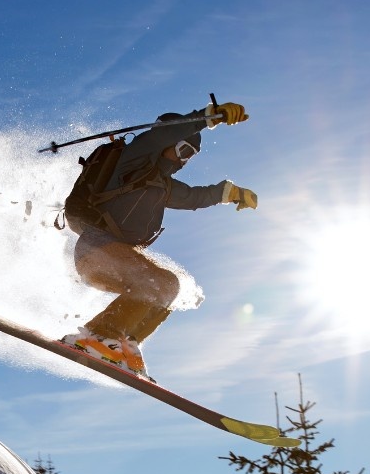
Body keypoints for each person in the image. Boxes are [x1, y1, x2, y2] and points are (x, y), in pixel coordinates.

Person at [60, 100, 257, 381]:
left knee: (169, 285)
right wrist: (208, 117)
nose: (183, 160)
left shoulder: (161, 185)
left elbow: (194, 198)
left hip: (113, 259)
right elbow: (157, 138)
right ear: (169, 139)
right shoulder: (134, 159)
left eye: (190, 156)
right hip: (96, 247)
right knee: (155, 282)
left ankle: (124, 344)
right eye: (183, 149)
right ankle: (97, 337)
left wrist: (232, 193)